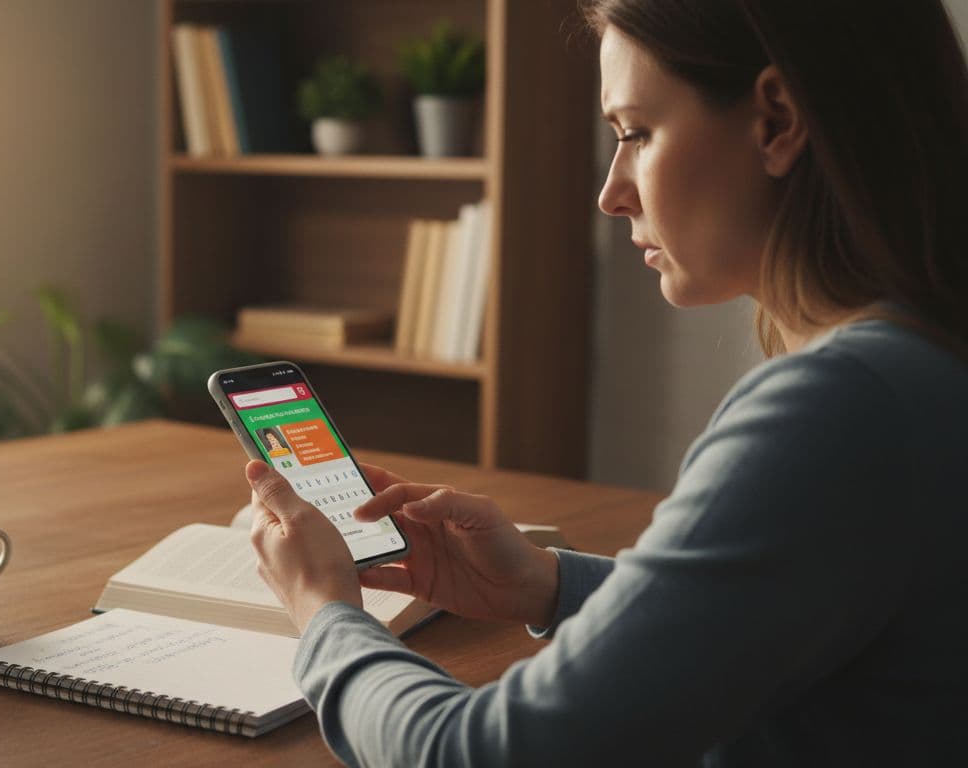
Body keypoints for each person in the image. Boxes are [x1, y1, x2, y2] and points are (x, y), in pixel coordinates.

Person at [244, 1, 968, 764]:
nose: (611, 192)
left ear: (777, 119)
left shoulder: (840, 410)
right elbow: (792, 608)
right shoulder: (919, 368)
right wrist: (548, 585)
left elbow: (484, 755)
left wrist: (323, 611)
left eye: (635, 133)